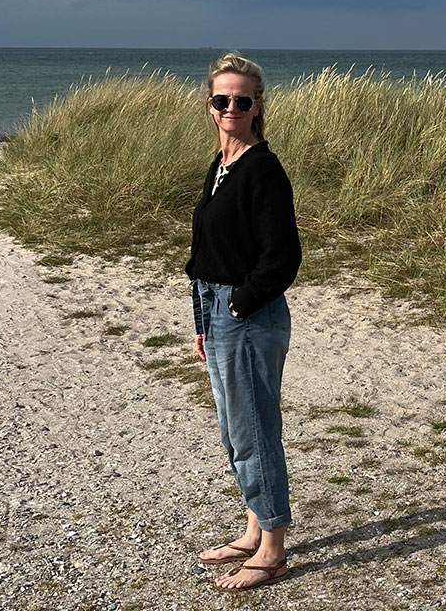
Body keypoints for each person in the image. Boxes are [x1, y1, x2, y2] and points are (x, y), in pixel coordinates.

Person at [185, 52, 301, 591]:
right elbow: (206, 251)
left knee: (254, 430)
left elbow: (283, 257)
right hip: (219, 311)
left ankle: (273, 549)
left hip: (248, 315)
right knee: (237, 431)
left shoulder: (262, 168)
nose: (231, 107)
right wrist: (202, 321)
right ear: (210, 106)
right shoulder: (221, 164)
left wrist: (238, 306)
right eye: (221, 99)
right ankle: (255, 526)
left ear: (257, 107)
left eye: (242, 100)